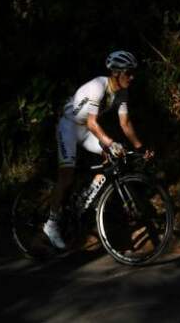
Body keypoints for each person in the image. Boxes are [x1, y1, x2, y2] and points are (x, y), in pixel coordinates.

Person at [43, 50, 152, 250]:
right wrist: (110, 142)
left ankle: (85, 200)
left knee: (112, 159)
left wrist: (140, 147)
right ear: (117, 73)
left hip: (84, 129)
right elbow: (94, 124)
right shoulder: (98, 86)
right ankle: (51, 224)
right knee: (66, 177)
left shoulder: (122, 93)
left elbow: (125, 123)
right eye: (128, 73)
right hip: (69, 127)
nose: (132, 77)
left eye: (132, 73)